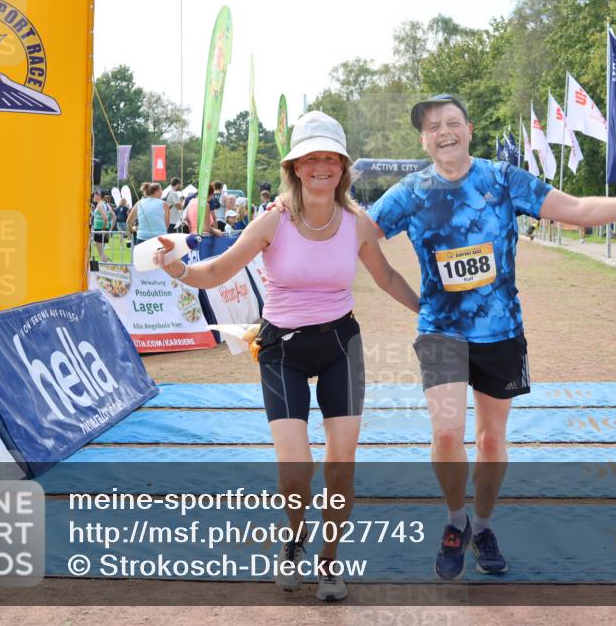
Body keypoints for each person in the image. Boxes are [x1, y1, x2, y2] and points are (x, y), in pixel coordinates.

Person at [351, 94, 616, 580]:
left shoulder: (503, 179)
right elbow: (354, 233)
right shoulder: (410, 192)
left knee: (490, 440)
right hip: (440, 332)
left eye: (451, 122)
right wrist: (396, 288)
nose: (443, 132)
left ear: (468, 129)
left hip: (501, 333)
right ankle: (455, 521)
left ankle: (483, 526)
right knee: (446, 432)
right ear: (423, 140)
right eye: (432, 127)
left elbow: (572, 208)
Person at [153, 111, 419, 602]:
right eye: (310, 158)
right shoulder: (272, 219)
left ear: (342, 167)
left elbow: (386, 277)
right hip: (282, 350)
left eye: (330, 159)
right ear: (295, 167)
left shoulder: (358, 224)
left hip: (341, 344)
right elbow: (216, 271)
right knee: (296, 472)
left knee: (341, 466)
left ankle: (330, 561)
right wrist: (177, 269)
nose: (321, 167)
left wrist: (430, 312)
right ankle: (294, 542)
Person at [91, 191, 111, 262]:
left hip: (99, 230)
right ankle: (108, 266)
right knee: (102, 252)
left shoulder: (99, 205)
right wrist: (108, 229)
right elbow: (113, 217)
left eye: (95, 195)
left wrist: (103, 230)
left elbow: (105, 218)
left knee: (101, 253)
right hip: (104, 229)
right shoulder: (106, 204)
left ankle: (107, 268)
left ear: (99, 196)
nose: (94, 196)